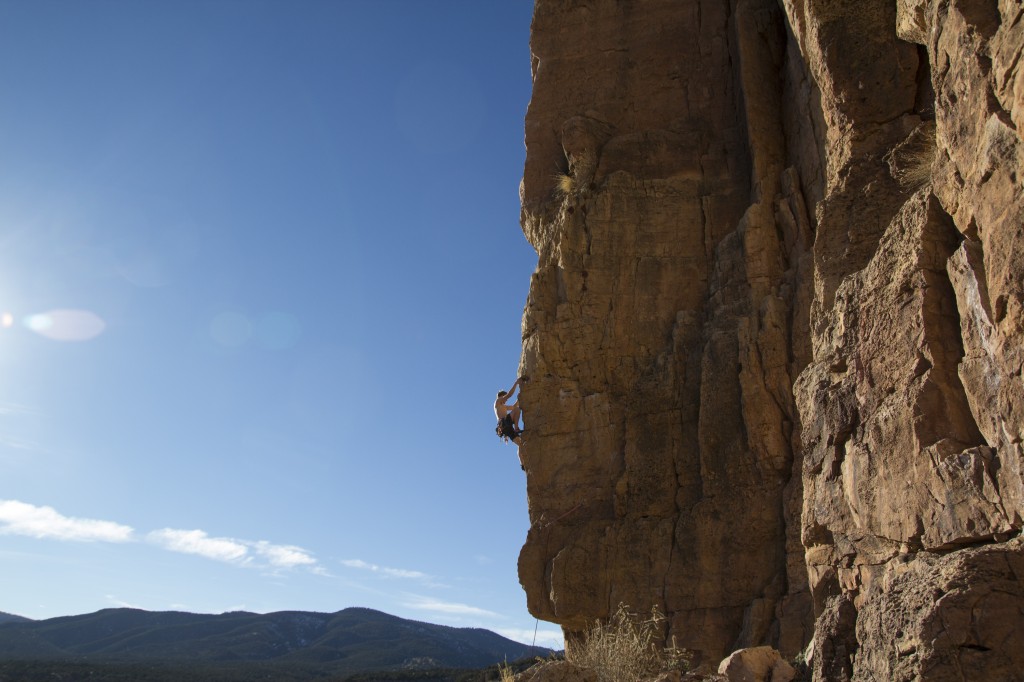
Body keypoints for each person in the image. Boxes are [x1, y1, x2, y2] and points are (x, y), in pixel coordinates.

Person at [494, 376, 528, 443]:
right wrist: (516, 383)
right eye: (505, 398)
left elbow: (513, 407)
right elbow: (509, 395)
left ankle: (524, 451)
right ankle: (516, 428)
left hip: (506, 426)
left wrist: (519, 398)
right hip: (504, 423)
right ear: (501, 396)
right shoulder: (497, 401)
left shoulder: (503, 406)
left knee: (519, 442)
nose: (506, 400)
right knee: (518, 410)